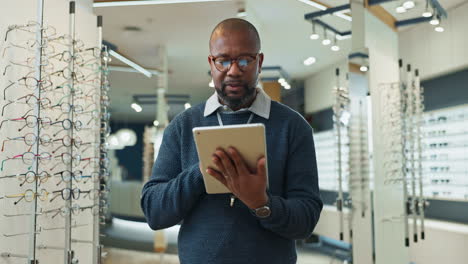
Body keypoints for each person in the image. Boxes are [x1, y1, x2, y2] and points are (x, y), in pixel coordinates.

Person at [141, 18, 323, 264]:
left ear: (259, 62)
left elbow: (306, 220)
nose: (234, 71)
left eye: (245, 60)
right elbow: (155, 213)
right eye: (223, 60)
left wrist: (262, 203)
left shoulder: (293, 127)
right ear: (211, 63)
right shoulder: (182, 126)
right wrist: (202, 171)